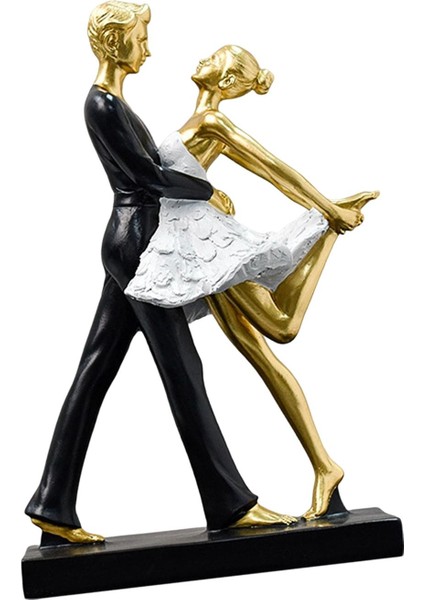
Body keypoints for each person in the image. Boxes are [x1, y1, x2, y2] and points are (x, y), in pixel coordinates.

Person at [25, 3, 294, 545]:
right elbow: (147, 177)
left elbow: (152, 172)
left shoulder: (115, 103)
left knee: (95, 369)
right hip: (140, 248)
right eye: (141, 38)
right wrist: (207, 190)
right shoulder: (101, 104)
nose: (147, 48)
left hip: (132, 243)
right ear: (115, 41)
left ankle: (52, 502)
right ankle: (228, 504)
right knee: (182, 370)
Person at [125, 44, 379, 519]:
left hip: (207, 245)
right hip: (188, 245)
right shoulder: (195, 121)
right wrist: (210, 191)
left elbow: (273, 168)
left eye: (215, 59)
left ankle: (328, 235)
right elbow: (176, 179)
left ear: (225, 81)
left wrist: (329, 211)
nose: (202, 59)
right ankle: (326, 467)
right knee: (259, 355)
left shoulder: (212, 121)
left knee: (281, 329)